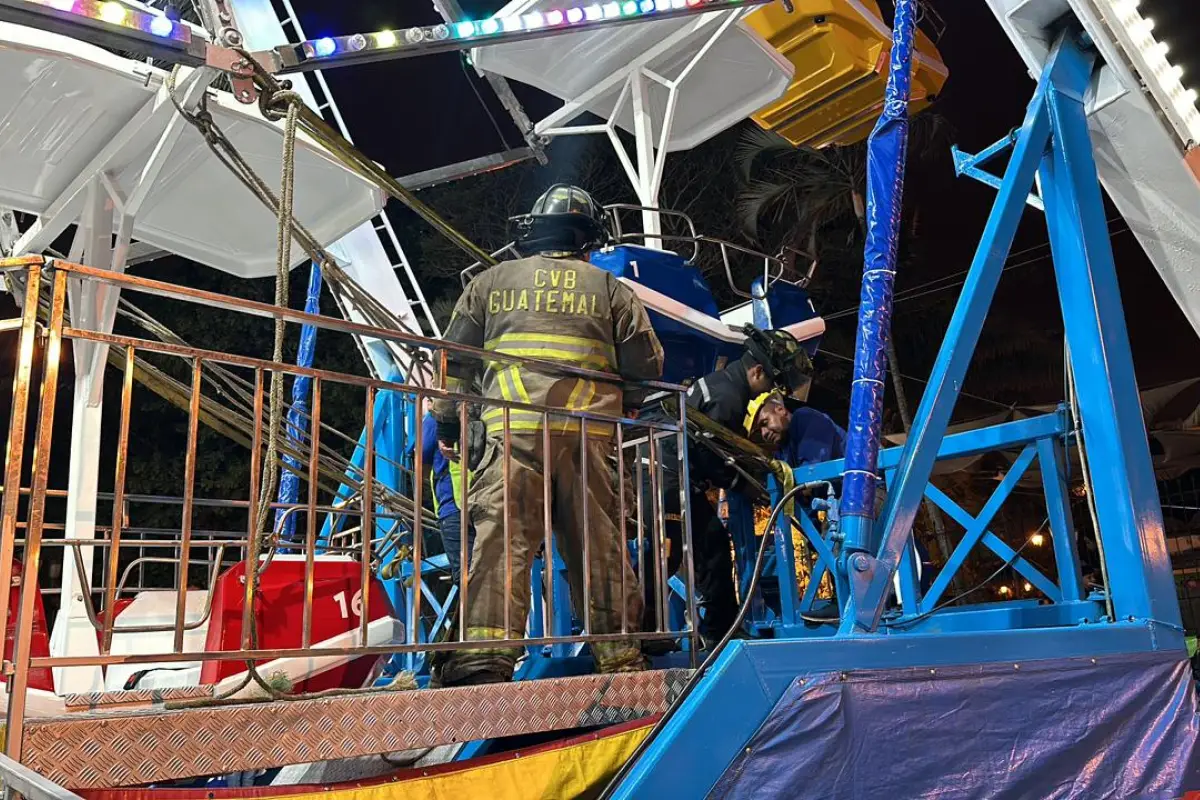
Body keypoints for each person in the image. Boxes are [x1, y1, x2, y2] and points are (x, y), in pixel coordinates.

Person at [430, 184, 664, 687]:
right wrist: (629, 399)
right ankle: (620, 654)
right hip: (587, 438)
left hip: (511, 435)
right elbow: (647, 362)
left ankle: (485, 657)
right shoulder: (609, 288)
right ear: (587, 240)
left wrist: (450, 421)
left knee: (502, 543)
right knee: (599, 544)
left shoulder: (489, 283)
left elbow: (453, 362)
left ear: (533, 233)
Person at [645, 328, 814, 647]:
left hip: (665, 474)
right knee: (702, 546)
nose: (769, 392)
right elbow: (711, 457)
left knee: (675, 552)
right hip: (665, 475)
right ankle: (716, 630)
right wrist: (745, 486)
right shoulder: (729, 397)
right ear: (758, 371)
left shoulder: (721, 385)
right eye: (771, 383)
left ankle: (652, 631)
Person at [417, 409, 475, 587]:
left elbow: (421, 466)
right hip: (482, 505)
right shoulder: (485, 413)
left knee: (470, 578)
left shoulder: (436, 419)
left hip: (455, 507)